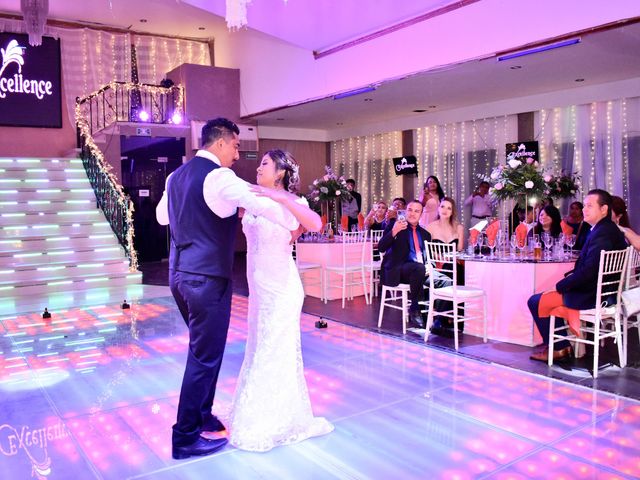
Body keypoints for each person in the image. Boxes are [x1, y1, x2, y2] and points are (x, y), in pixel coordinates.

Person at [156, 118, 306, 460]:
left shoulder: (175, 176)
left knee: (205, 351)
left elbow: (163, 217)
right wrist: (294, 218)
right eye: (237, 146)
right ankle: (185, 437)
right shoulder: (220, 177)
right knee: (204, 356)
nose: (238, 155)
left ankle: (202, 415)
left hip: (178, 276)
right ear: (221, 143)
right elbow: (262, 204)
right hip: (206, 278)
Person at [228, 149, 334, 452]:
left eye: (264, 164)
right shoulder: (253, 199)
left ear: (281, 173)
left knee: (274, 349)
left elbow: (314, 224)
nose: (258, 168)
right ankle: (264, 410)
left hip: (282, 288)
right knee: (259, 346)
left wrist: (280, 198)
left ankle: (272, 419)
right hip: (259, 288)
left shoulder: (293, 202)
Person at [527, 189, 627, 362]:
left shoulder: (602, 232)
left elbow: (589, 271)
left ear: (603, 209)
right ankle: (562, 345)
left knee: (535, 301)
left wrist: (560, 286)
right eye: (584, 205)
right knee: (546, 296)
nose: (584, 210)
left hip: (593, 295)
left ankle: (559, 348)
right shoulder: (605, 229)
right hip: (603, 291)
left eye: (589, 206)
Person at [378, 200, 431, 328]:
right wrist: (393, 232)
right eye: (410, 210)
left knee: (444, 280)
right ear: (405, 211)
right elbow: (381, 247)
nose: (412, 213)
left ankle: (438, 320)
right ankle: (414, 307)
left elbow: (426, 257)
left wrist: (430, 266)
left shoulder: (426, 234)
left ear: (421, 214)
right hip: (398, 270)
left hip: (418, 270)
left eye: (416, 211)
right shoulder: (396, 226)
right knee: (418, 268)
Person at [426, 197, 465, 335]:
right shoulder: (431, 227)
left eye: (449, 208)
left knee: (459, 270)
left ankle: (447, 318)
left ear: (452, 211)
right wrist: (438, 256)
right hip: (438, 266)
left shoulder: (459, 227)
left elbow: (460, 250)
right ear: (438, 208)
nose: (445, 210)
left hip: (454, 264)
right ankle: (442, 318)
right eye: (442, 206)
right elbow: (427, 250)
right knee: (450, 270)